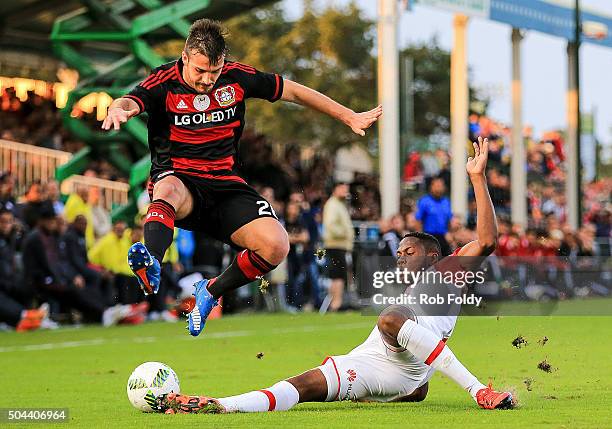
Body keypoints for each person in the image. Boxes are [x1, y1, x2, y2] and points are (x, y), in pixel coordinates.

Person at [155, 137, 513, 415]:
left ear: (433, 255)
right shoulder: (415, 290)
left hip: (403, 358)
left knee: (389, 318)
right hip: (375, 364)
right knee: (303, 385)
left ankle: (478, 391)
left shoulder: (448, 270)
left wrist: (477, 178)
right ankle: (224, 405)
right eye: (398, 253)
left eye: (409, 252)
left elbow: (486, 240)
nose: (400, 259)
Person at [101, 18, 382, 336]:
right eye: (200, 71)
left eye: (214, 71)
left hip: (225, 185)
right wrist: (118, 108)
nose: (207, 79)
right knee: (168, 187)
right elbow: (132, 99)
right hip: (181, 181)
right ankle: (151, 260)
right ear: (185, 57)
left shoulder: (238, 77)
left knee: (276, 246)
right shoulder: (163, 80)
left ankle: (210, 291)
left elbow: (294, 92)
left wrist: (347, 114)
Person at [322, 182, 354, 311]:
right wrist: (345, 234)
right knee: (338, 275)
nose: (346, 191)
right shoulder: (333, 204)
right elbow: (331, 225)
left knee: (337, 274)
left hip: (339, 244)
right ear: (335, 189)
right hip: (336, 244)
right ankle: (336, 304)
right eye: (342, 188)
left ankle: (335, 303)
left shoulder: (338, 204)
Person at [415, 177, 453, 256]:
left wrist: (450, 233)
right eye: (437, 186)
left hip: (443, 236)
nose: (438, 189)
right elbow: (418, 220)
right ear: (431, 187)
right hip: (429, 236)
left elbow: (449, 220)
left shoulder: (446, 202)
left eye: (440, 186)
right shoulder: (424, 201)